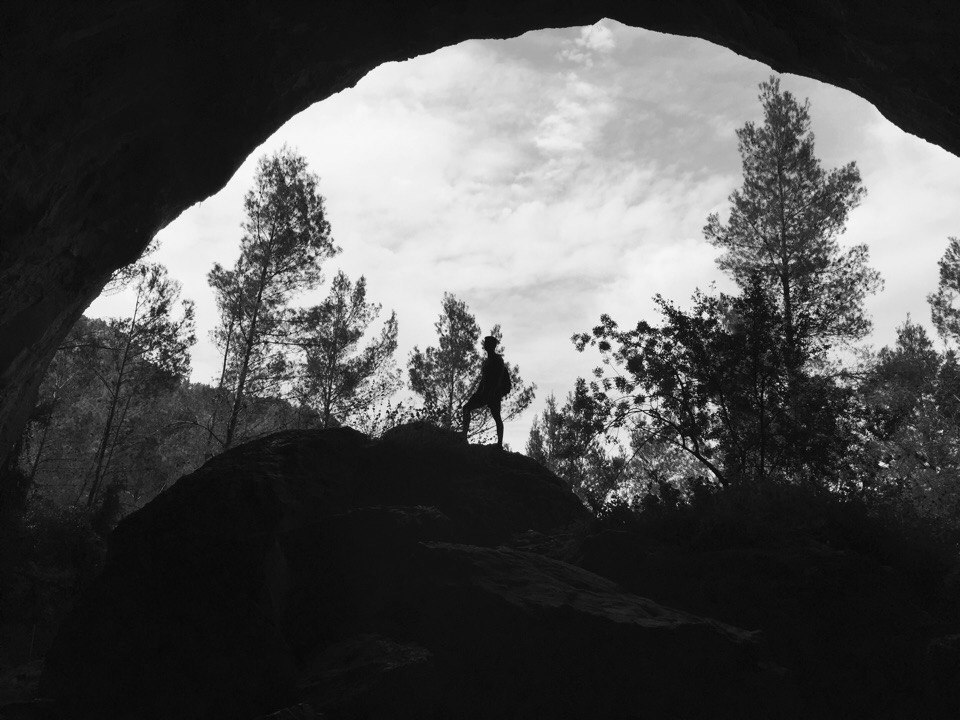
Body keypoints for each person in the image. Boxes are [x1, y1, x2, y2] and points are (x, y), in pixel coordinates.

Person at [462, 335, 511, 448]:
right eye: (485, 343)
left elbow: (498, 378)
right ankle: (464, 437)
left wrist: (493, 393)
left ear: (492, 346)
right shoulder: (486, 362)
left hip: (493, 394)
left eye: (487, 343)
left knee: (497, 418)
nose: (485, 344)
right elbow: (483, 380)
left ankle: (499, 444)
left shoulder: (498, 360)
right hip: (483, 393)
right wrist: (478, 392)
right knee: (466, 408)